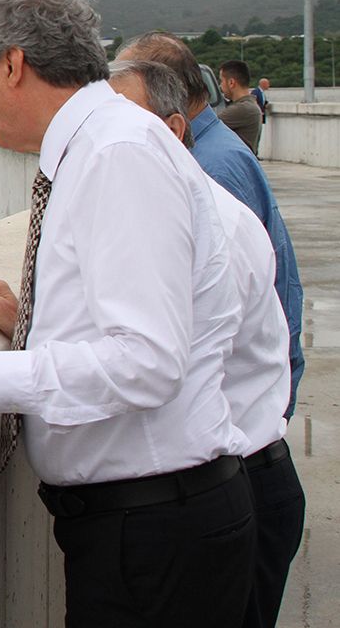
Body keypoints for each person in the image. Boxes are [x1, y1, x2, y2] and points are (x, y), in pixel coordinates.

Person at [0, 0, 254, 628]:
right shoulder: (100, 147)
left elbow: (147, 358)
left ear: (13, 63)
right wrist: (29, 322)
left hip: (154, 536)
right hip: (145, 527)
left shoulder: (117, 155)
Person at [108, 59, 304, 628]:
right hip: (248, 471)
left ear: (172, 130)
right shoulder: (196, 196)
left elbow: (154, 359)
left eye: (122, 120)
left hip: (241, 475)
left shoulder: (208, 198)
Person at [117, 32, 304, 413]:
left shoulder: (211, 167)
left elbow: (215, 307)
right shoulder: (208, 150)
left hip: (238, 409)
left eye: (124, 100)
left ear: (167, 93)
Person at [217, 60, 263, 155]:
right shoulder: (249, 106)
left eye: (222, 81)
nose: (220, 86)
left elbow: (204, 125)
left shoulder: (243, 109)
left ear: (231, 82)